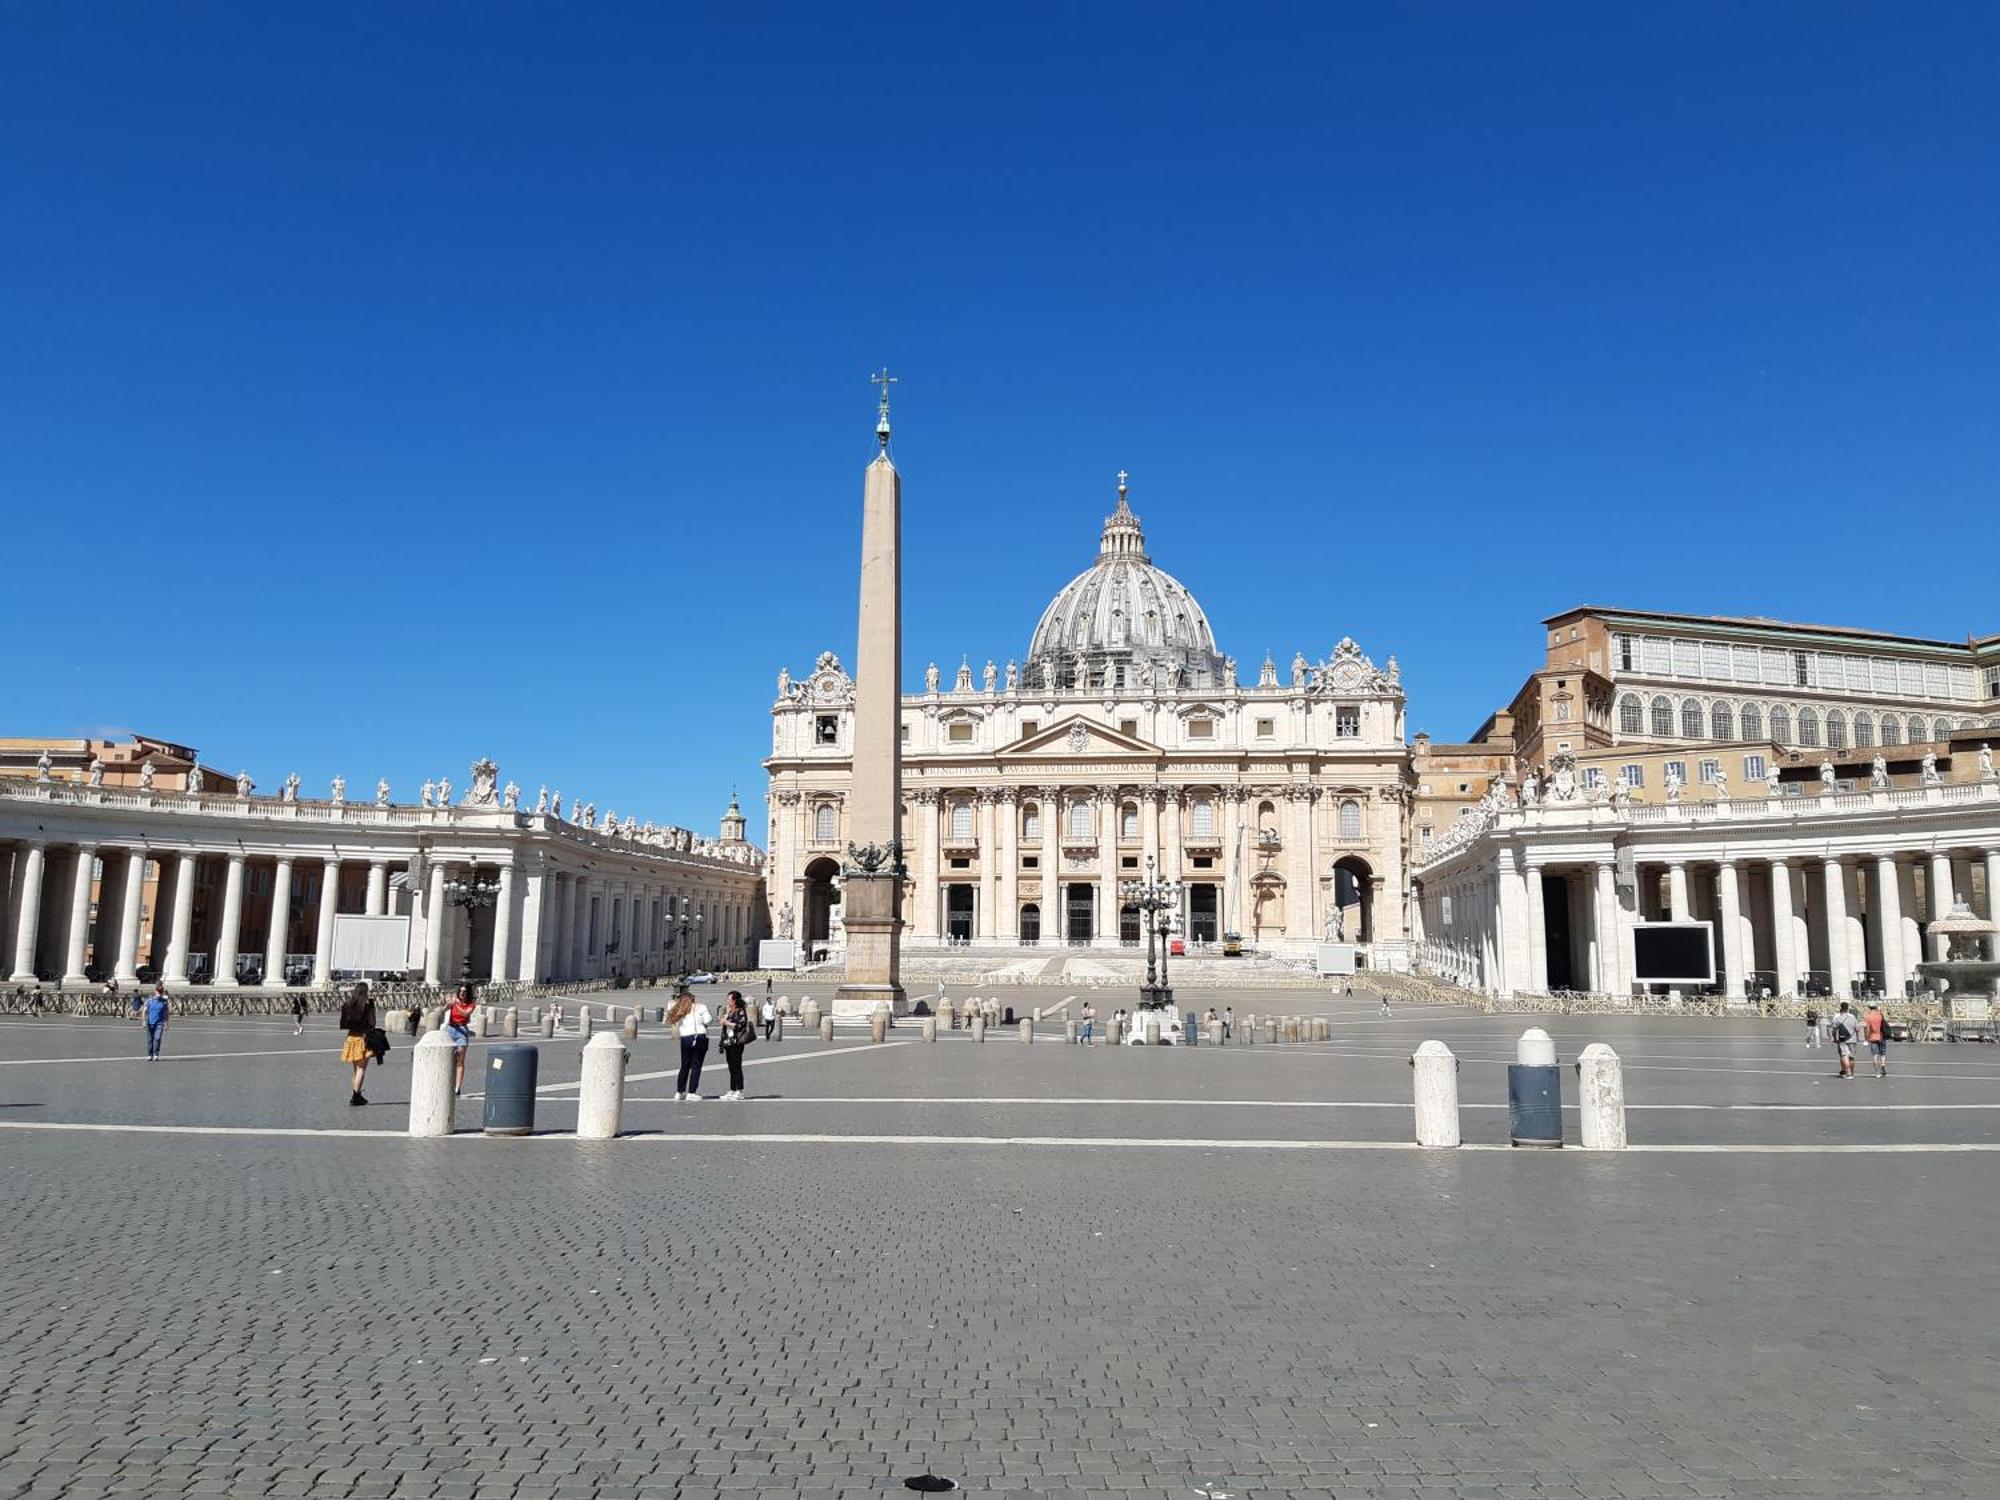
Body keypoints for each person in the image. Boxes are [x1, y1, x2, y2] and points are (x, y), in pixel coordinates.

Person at [669, 988, 713, 1101]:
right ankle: (692, 1092)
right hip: (699, 1036)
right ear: (693, 999)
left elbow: (674, 1022)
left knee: (685, 1065)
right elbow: (708, 1020)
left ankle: (680, 1091)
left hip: (685, 1038)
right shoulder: (701, 1007)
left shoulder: (680, 1009)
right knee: (696, 1066)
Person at [339, 983, 377, 1105]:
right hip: (363, 1038)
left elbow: (344, 1023)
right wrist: (372, 1009)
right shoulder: (366, 1008)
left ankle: (358, 1093)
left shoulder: (348, 1006)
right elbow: (372, 1024)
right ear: (365, 993)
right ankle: (355, 1096)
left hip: (350, 1038)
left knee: (355, 1069)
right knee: (361, 1069)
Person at [718, 991, 754, 1101]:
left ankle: (740, 1090)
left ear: (735, 1001)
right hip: (729, 1042)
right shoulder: (730, 1012)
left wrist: (726, 1022)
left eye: (730, 999)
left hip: (736, 1042)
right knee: (731, 1067)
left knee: (737, 1066)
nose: (728, 1001)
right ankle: (732, 1089)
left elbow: (739, 1025)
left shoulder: (741, 1012)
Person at [444, 985, 477, 1096]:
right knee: (447, 1057)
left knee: (460, 1060)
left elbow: (465, 1013)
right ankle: (446, 1083)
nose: (462, 993)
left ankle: (457, 1087)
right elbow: (444, 1009)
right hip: (450, 1028)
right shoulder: (454, 1001)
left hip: (462, 1030)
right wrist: (447, 1004)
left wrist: (455, 1004)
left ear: (468, 993)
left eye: (465, 991)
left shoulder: (471, 1004)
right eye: (461, 991)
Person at [139, 982, 170, 1061]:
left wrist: (166, 1024)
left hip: (159, 1023)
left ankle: (156, 1054)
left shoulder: (164, 1001)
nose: (159, 993)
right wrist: (143, 1021)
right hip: (150, 1023)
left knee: (157, 1038)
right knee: (150, 1040)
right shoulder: (150, 1001)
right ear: (155, 992)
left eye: (161, 992)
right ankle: (150, 1055)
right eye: (158, 992)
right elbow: (144, 1011)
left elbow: (166, 1013)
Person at [1830, 1001, 1859, 1080]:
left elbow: (1834, 1030)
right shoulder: (1853, 1018)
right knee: (1852, 1057)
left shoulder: (1838, 1018)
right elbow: (1857, 1029)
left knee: (1844, 1055)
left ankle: (1848, 1072)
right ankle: (1852, 1073)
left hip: (1843, 1039)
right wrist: (1857, 1038)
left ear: (1841, 1008)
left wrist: (1834, 1037)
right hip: (1852, 1039)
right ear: (1848, 1008)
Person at [1863, 1002, 1890, 1079]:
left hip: (1873, 1037)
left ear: (1869, 1007)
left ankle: (1877, 1073)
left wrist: (1866, 1039)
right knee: (1883, 1053)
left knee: (1875, 1055)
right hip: (1881, 1036)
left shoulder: (1867, 1017)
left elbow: (1867, 1029)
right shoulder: (1880, 1015)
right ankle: (1883, 1064)